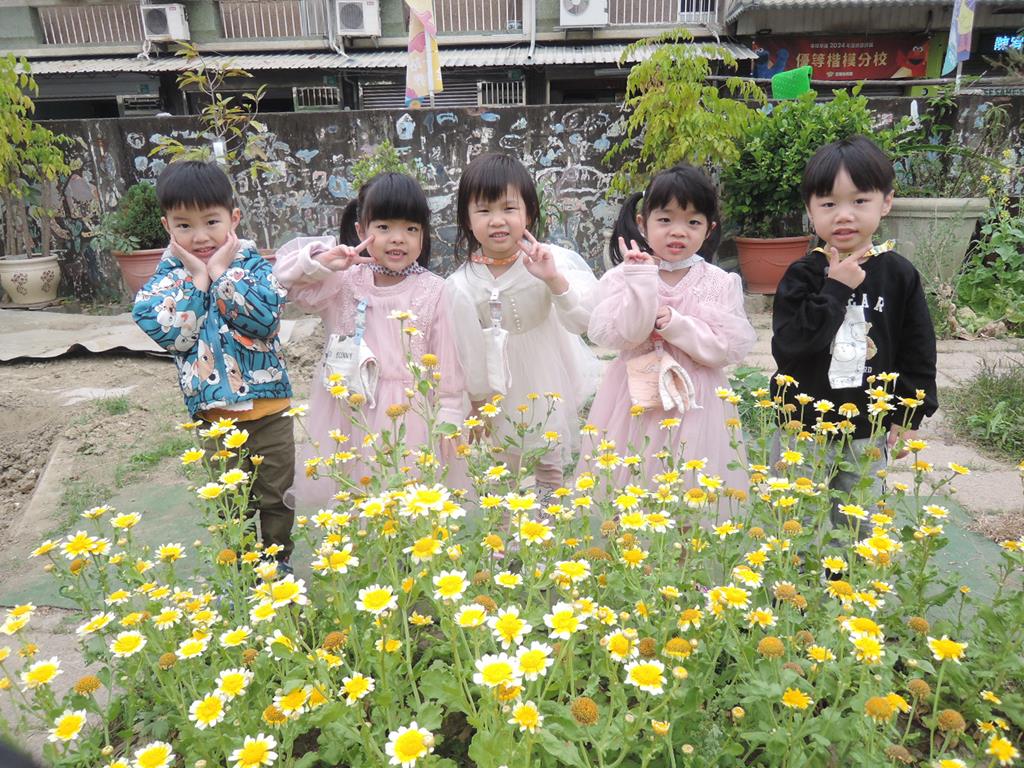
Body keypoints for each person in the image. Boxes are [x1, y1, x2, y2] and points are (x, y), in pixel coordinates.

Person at [132, 160, 296, 570]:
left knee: (277, 496)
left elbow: (264, 320)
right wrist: (198, 279)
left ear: (233, 218)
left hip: (270, 411)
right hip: (215, 420)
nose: (200, 236)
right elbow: (174, 335)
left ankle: (278, 563)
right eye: (184, 225)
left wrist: (221, 273)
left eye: (211, 221)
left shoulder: (253, 266)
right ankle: (239, 572)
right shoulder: (166, 281)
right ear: (167, 226)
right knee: (230, 503)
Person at [771, 134, 938, 531]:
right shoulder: (803, 275)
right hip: (802, 423)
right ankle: (795, 572)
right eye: (828, 204)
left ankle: (857, 571)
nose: (843, 215)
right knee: (794, 521)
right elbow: (789, 345)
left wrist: (908, 413)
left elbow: (917, 348)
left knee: (860, 521)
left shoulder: (899, 274)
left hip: (867, 425)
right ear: (810, 210)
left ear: (886, 202)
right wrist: (835, 288)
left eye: (859, 201)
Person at [273, 173, 466, 507]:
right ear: (361, 231)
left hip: (408, 415)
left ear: (423, 235)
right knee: (351, 498)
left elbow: (447, 360)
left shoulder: (435, 290)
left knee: (406, 503)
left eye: (411, 229)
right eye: (384, 227)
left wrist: (449, 411)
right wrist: (324, 264)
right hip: (347, 412)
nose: (398, 239)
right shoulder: (342, 280)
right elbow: (293, 288)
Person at [586, 164, 756, 499]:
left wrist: (677, 325)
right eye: (665, 220)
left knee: (694, 479)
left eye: (693, 222)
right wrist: (641, 283)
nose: (678, 232)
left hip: (697, 397)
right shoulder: (625, 276)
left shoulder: (719, 283)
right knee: (631, 476)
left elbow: (723, 349)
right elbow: (626, 335)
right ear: (643, 224)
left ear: (709, 229)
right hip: (634, 394)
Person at [443, 153, 599, 496]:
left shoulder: (549, 261)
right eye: (484, 211)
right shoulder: (461, 285)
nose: (497, 220)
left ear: (529, 212)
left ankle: (548, 521)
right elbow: (467, 352)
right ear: (467, 219)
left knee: (549, 461)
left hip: (547, 372)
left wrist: (553, 279)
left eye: (508, 208)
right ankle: (502, 528)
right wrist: (477, 404)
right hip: (495, 386)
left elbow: (582, 322)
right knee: (502, 467)